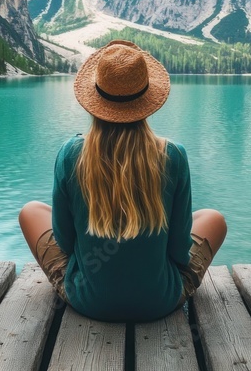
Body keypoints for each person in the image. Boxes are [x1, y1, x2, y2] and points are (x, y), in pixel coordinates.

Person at [18, 40, 227, 322]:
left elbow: (65, 244)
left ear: (94, 99)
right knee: (212, 218)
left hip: (89, 302)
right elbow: (179, 251)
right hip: (160, 302)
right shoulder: (173, 156)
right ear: (147, 100)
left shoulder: (71, 154)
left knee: (31, 211)